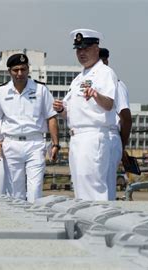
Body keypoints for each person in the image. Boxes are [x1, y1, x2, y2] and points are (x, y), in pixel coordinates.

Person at [53, 29, 118, 201]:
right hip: (76, 137)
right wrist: (61, 109)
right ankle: (88, 225)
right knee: (81, 190)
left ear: (96, 49)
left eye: (86, 48)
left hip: (93, 136)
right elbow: (71, 113)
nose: (81, 53)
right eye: (78, 49)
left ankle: (100, 226)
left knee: (94, 188)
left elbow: (109, 103)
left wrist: (97, 95)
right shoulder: (79, 78)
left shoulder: (104, 73)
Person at [0, 53, 59, 203]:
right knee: (14, 190)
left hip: (35, 143)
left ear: (28, 70)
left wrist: (55, 143)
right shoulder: (1, 92)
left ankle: (36, 222)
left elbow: (51, 117)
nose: (20, 73)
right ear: (9, 71)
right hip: (11, 143)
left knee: (36, 188)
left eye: (23, 69)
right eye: (16, 70)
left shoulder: (41, 90)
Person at [99, 48, 132, 199]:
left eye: (102, 60)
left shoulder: (116, 84)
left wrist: (122, 145)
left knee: (105, 186)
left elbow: (126, 118)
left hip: (111, 137)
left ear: (107, 61)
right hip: (95, 138)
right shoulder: (90, 83)